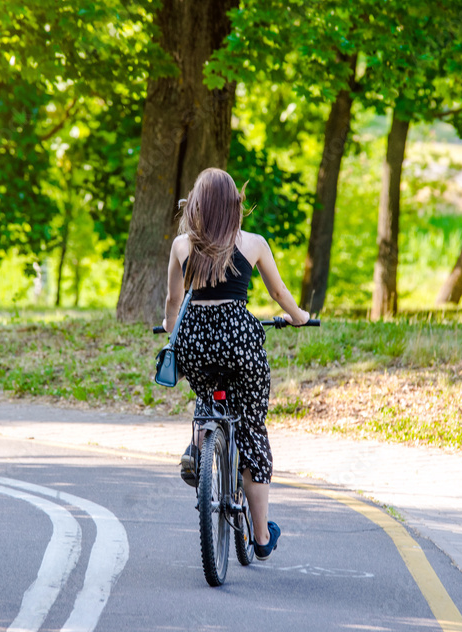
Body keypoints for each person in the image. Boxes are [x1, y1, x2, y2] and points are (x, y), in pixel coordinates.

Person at [162, 167, 310, 561]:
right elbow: (278, 293)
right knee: (251, 429)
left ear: (196, 206)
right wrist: (298, 316)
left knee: (207, 397)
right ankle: (261, 536)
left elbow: (173, 304)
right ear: (234, 205)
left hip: (195, 339)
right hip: (239, 341)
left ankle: (199, 444)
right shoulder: (253, 243)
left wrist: (169, 327)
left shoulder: (181, 246)